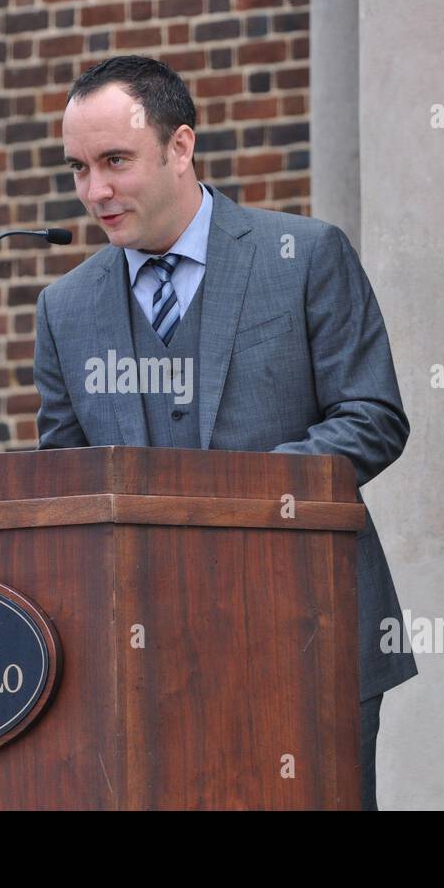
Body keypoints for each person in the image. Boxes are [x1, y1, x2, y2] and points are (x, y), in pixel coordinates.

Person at [33, 55, 415, 810]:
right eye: (78, 168)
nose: (95, 191)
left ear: (181, 147)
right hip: (144, 656)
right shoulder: (64, 308)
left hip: (309, 629)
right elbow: (66, 479)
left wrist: (235, 496)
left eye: (115, 161)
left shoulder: (304, 256)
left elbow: (373, 417)